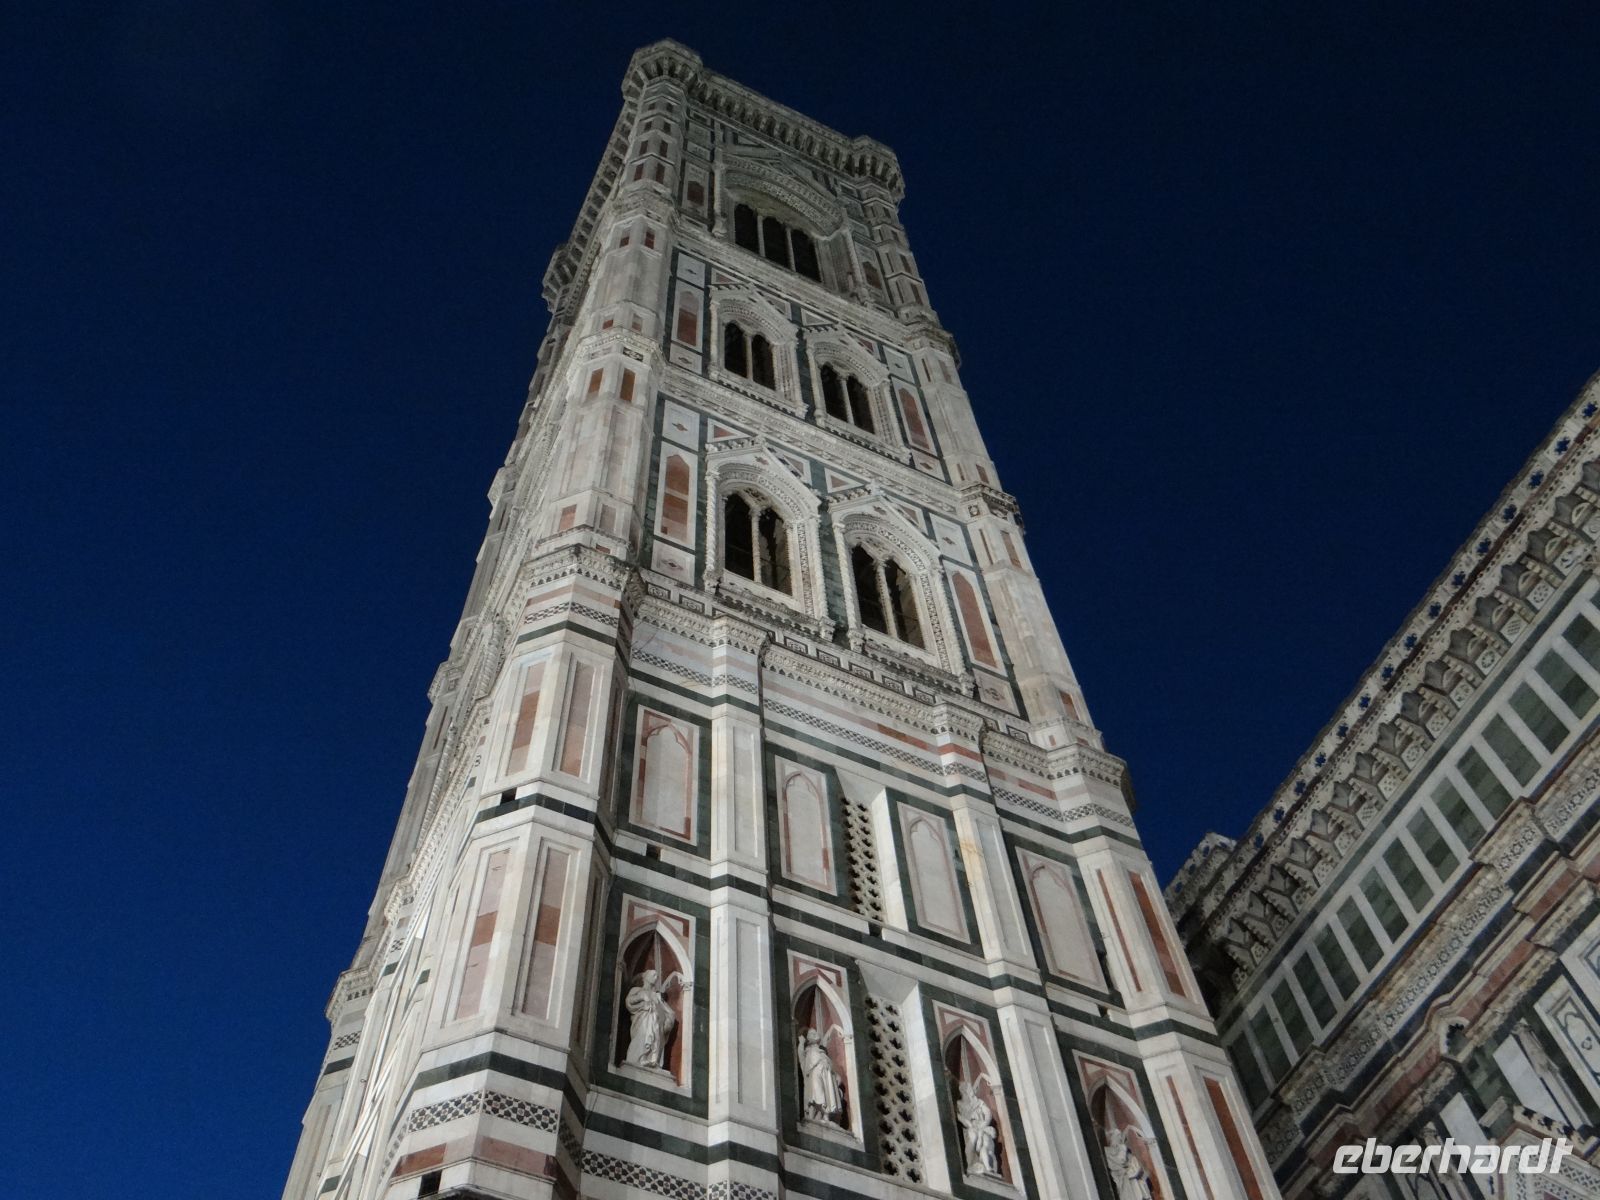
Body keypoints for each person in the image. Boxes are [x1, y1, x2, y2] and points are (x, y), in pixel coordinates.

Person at [624, 968, 678, 1071]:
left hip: (657, 1024)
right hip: (643, 1020)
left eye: (657, 976)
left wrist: (668, 1021)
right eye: (653, 975)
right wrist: (641, 997)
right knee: (642, 1038)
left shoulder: (657, 996)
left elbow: (669, 1011)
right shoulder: (637, 990)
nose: (656, 977)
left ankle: (653, 1061)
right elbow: (629, 1002)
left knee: (655, 1040)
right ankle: (639, 1058)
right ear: (646, 977)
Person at [798, 1027, 845, 1124]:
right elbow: (801, 1057)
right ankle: (812, 1117)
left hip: (826, 1076)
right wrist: (801, 1043)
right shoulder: (808, 1051)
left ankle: (825, 1115)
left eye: (815, 1032)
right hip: (814, 1076)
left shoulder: (822, 1051)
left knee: (826, 1094)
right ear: (807, 1039)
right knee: (816, 1093)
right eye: (811, 1033)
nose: (814, 1034)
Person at [957, 1080, 999, 1177]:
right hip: (970, 1126)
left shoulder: (979, 1102)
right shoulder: (959, 1103)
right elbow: (959, 1116)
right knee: (974, 1138)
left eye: (971, 1090)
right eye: (969, 1090)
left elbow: (988, 1114)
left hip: (982, 1126)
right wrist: (968, 1123)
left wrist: (984, 1124)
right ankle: (970, 1163)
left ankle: (986, 1164)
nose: (971, 1092)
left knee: (985, 1142)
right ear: (963, 1091)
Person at [1103, 1127, 1152, 1200]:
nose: (1119, 1139)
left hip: (1130, 1178)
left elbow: (1128, 1128)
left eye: (1119, 1137)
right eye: (1118, 1137)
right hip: (1127, 1177)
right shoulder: (1115, 1150)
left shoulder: (1121, 1149)